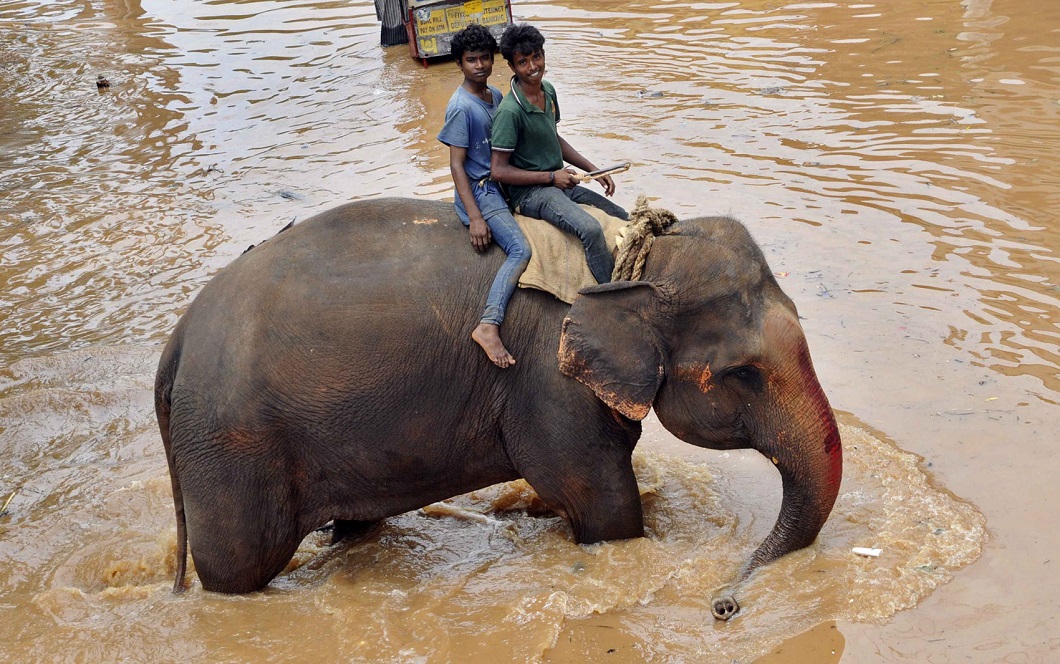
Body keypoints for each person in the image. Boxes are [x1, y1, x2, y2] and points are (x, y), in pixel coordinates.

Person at [489, 24, 629, 285]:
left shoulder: (548, 91)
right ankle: (613, 291)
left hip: (560, 181)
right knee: (590, 229)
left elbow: (553, 137)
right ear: (511, 67)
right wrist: (552, 177)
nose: (533, 67)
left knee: (622, 216)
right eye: (523, 62)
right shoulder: (510, 112)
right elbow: (498, 171)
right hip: (532, 193)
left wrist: (595, 171)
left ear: (543, 55)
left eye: (537, 57)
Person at [438, 24, 531, 369]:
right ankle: (489, 324)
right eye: (471, 60)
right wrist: (475, 216)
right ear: (459, 64)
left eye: (484, 59)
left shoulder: (494, 95)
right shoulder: (461, 107)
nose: (479, 65)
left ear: (493, 61)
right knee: (520, 249)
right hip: (481, 190)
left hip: (500, 183)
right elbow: (457, 165)